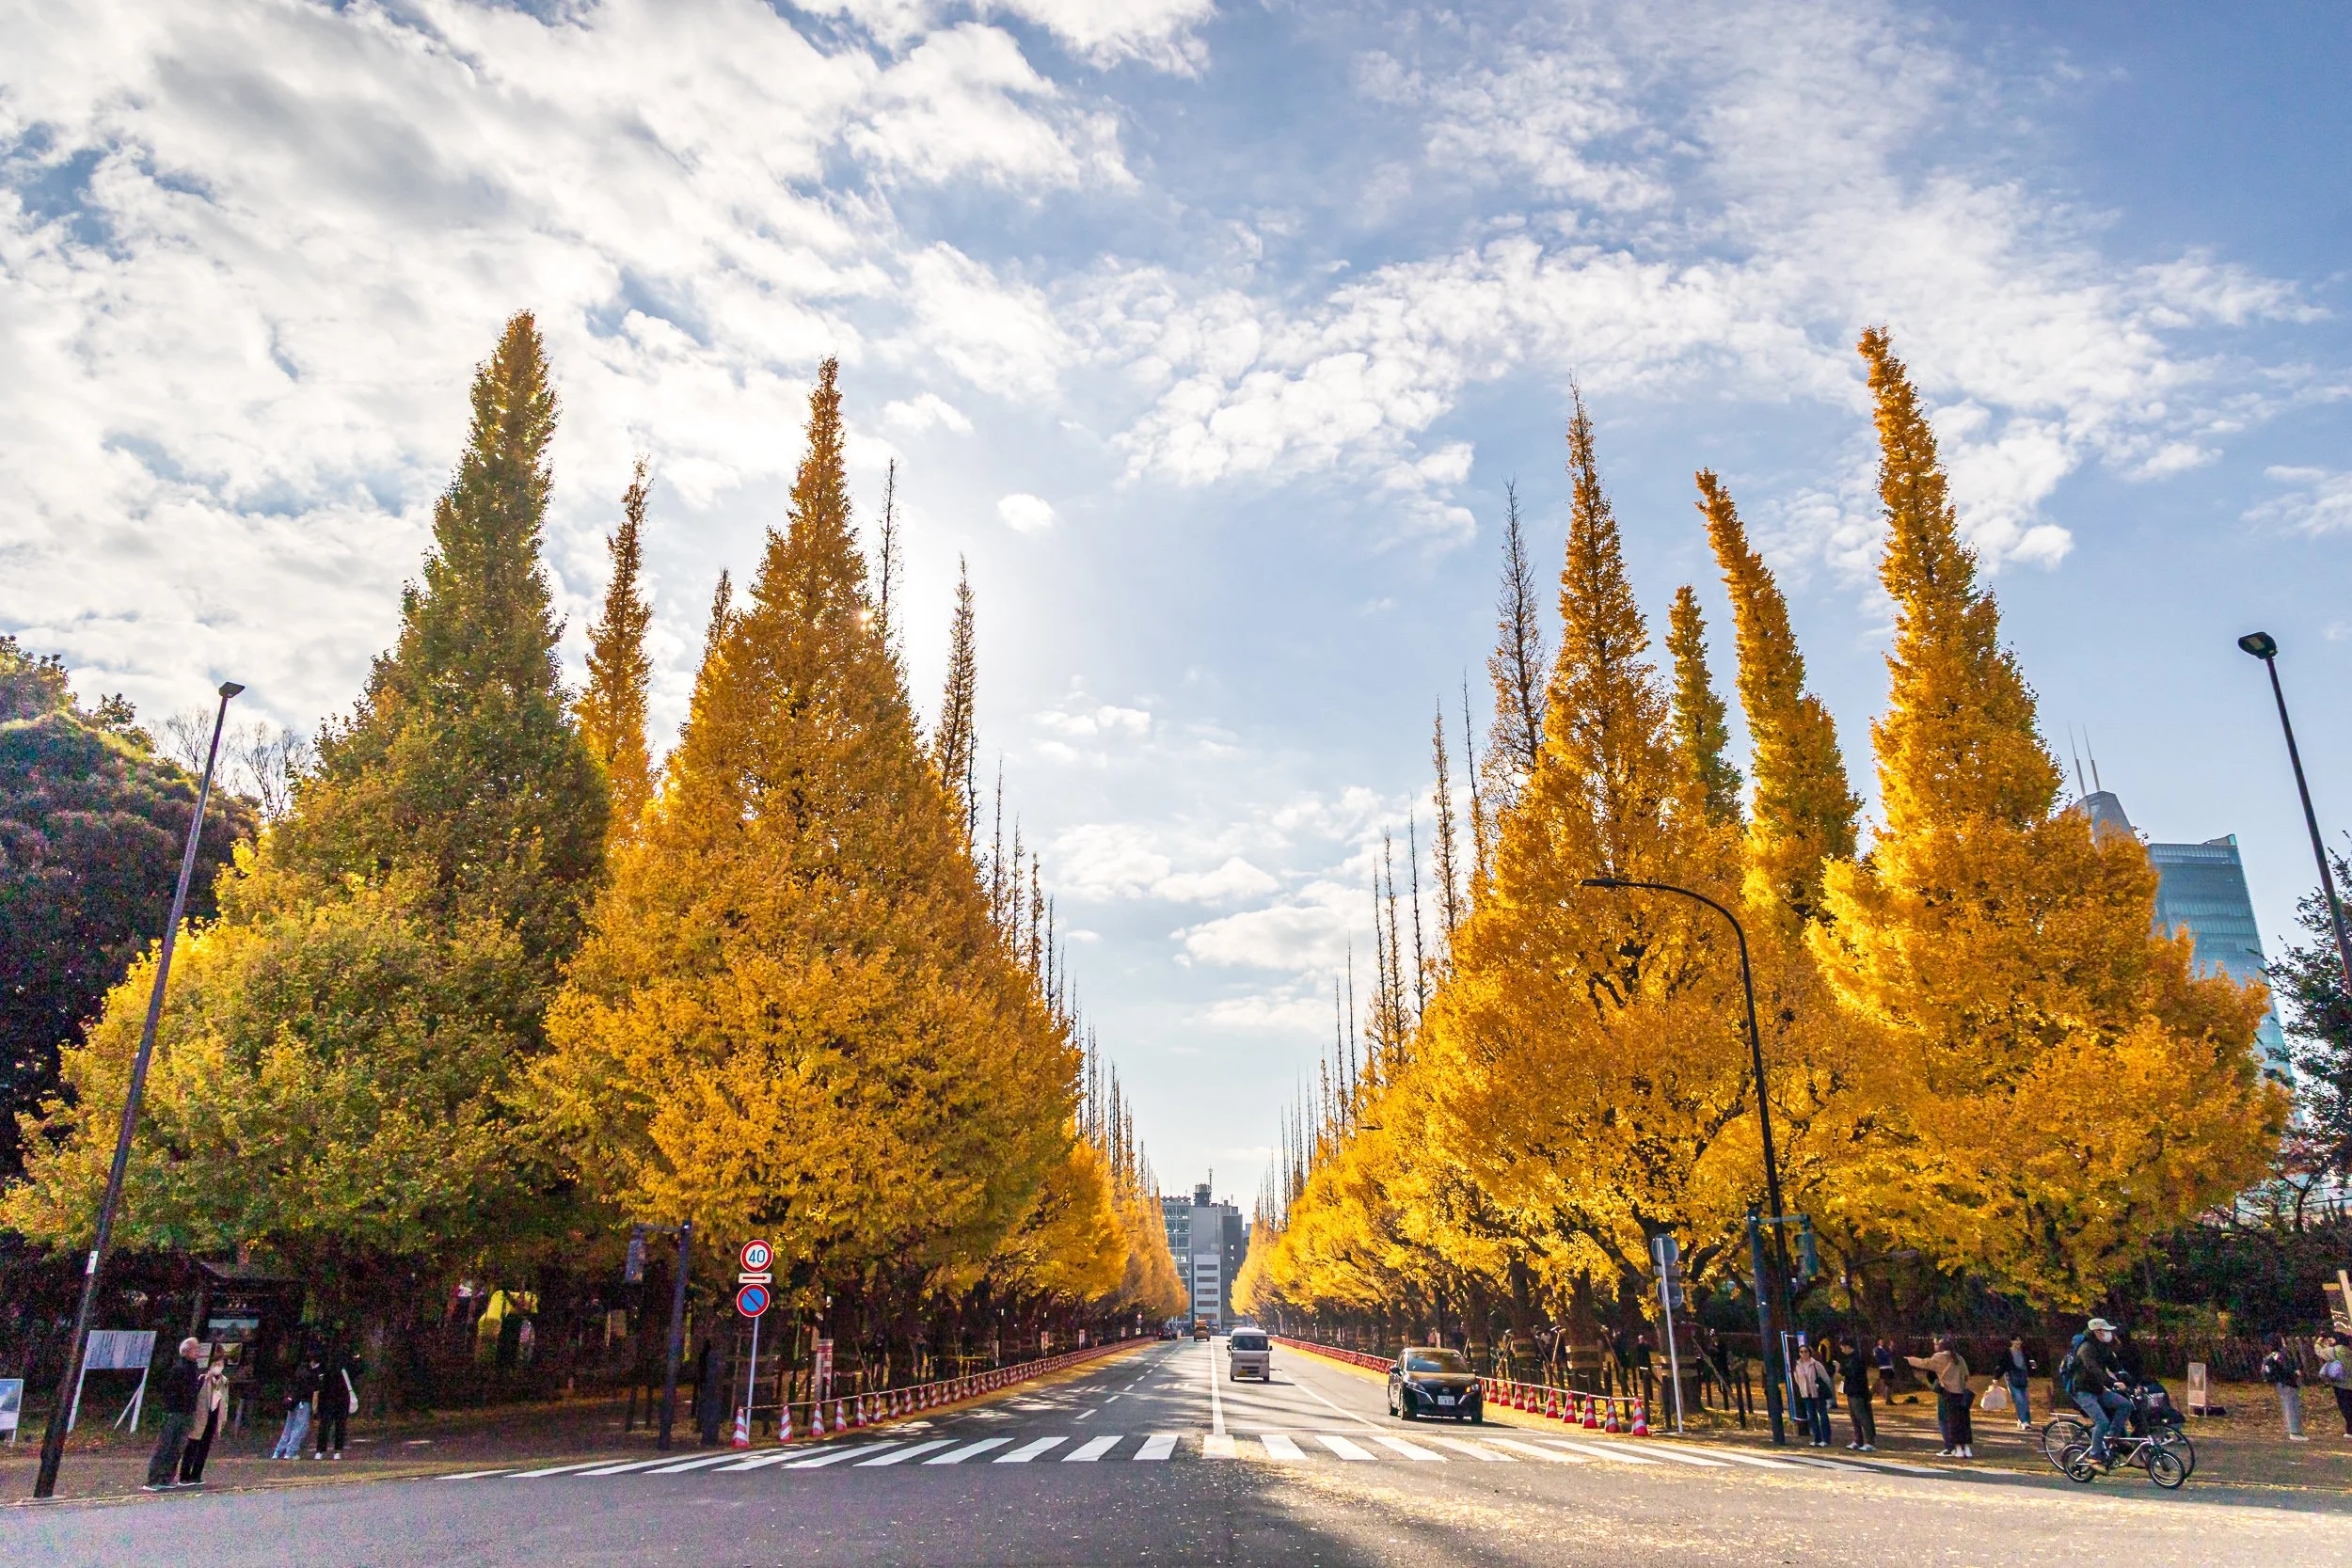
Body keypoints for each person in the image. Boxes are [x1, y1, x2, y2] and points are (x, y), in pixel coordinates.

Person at [2064, 1317, 2135, 1465]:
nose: (2109, 1334)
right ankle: (2094, 1455)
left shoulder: (2103, 1348)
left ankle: (2112, 1437)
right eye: (2106, 1331)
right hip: (2083, 1391)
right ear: (2097, 1332)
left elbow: (2115, 1366)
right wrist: (2114, 1383)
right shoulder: (2086, 1349)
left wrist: (2127, 1379)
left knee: (2125, 1405)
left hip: (2097, 1390)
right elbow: (2095, 1371)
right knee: (2102, 1422)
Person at [144, 1338, 204, 1491]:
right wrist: (170, 1407)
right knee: (165, 1445)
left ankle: (167, 1477)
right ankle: (153, 1479)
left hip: (187, 1412)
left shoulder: (193, 1368)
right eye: (194, 1349)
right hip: (174, 1412)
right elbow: (168, 1390)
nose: (197, 1351)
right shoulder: (178, 1368)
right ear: (185, 1351)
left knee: (178, 1447)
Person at [1906, 1337, 1974, 1458]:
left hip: (1948, 1393)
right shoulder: (1959, 1358)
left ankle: (1955, 1447)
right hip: (1962, 1393)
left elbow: (1924, 1363)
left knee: (1949, 1421)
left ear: (1941, 1347)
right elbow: (1966, 1375)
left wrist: (1909, 1359)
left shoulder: (1939, 1358)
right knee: (1963, 1421)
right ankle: (1966, 1448)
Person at [178, 1350, 230, 1485]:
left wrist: (222, 1420)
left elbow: (224, 1402)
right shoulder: (202, 1379)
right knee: (192, 1446)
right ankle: (184, 1476)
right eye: (216, 1364)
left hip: (213, 1417)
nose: (218, 1366)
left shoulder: (224, 1381)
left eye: (221, 1364)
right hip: (200, 1417)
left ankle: (197, 1475)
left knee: (204, 1447)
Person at [313, 1342, 358, 1459]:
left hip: (327, 1401)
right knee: (340, 1426)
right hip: (342, 1401)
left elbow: (321, 1386)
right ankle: (337, 1451)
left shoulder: (328, 1369)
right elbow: (358, 1371)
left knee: (325, 1426)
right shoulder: (347, 1369)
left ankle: (320, 1451)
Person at [2261, 1336, 2308, 1442]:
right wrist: (2295, 1372)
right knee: (2291, 1406)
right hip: (2287, 1382)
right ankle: (2295, 1431)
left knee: (2287, 1405)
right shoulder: (2278, 1355)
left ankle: (2292, 1429)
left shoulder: (2270, 1356)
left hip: (2280, 1383)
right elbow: (2286, 1368)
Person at [1836, 1335, 1877, 1451]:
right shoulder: (1850, 1358)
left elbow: (1852, 1374)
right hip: (1851, 1391)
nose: (1842, 1350)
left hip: (1858, 1392)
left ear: (1848, 1347)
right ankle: (1858, 1440)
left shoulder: (1856, 1359)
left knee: (1862, 1416)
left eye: (1843, 1347)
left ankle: (1870, 1441)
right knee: (1854, 1417)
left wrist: (1840, 1369)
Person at [272, 1355, 317, 1460]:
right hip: (303, 1402)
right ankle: (290, 1452)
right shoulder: (311, 1374)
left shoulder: (298, 1372)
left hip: (293, 1401)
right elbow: (313, 1390)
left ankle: (278, 1451)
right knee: (300, 1428)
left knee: (288, 1427)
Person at [1790, 1344, 1832, 1447]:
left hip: (1817, 1394)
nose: (1804, 1354)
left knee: (1822, 1415)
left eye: (1806, 1351)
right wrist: (1802, 1389)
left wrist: (1822, 1388)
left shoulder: (1815, 1364)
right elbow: (1797, 1380)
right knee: (1812, 1417)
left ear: (1809, 1352)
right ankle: (1816, 1438)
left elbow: (1825, 1378)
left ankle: (1826, 1439)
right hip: (1806, 1394)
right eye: (1801, 1352)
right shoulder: (1797, 1365)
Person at [2316, 1337, 2352, 1438]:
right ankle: (2350, 1430)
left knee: (2345, 1406)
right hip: (2350, 1382)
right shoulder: (2349, 1351)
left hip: (2339, 1383)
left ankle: (2350, 1430)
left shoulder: (2333, 1351)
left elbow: (2319, 1351)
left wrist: (2320, 1341)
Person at [1999, 1338, 2034, 1430]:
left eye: (2020, 1340)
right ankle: (2024, 1421)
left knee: (2025, 1400)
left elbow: (2031, 1364)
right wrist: (1996, 1377)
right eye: (2016, 1340)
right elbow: (2002, 1365)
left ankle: (2026, 1420)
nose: (2018, 1342)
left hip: (2023, 1378)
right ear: (2011, 1341)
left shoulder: (2025, 1352)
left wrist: (2033, 1367)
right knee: (2019, 1399)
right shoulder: (2007, 1353)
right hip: (2012, 1378)